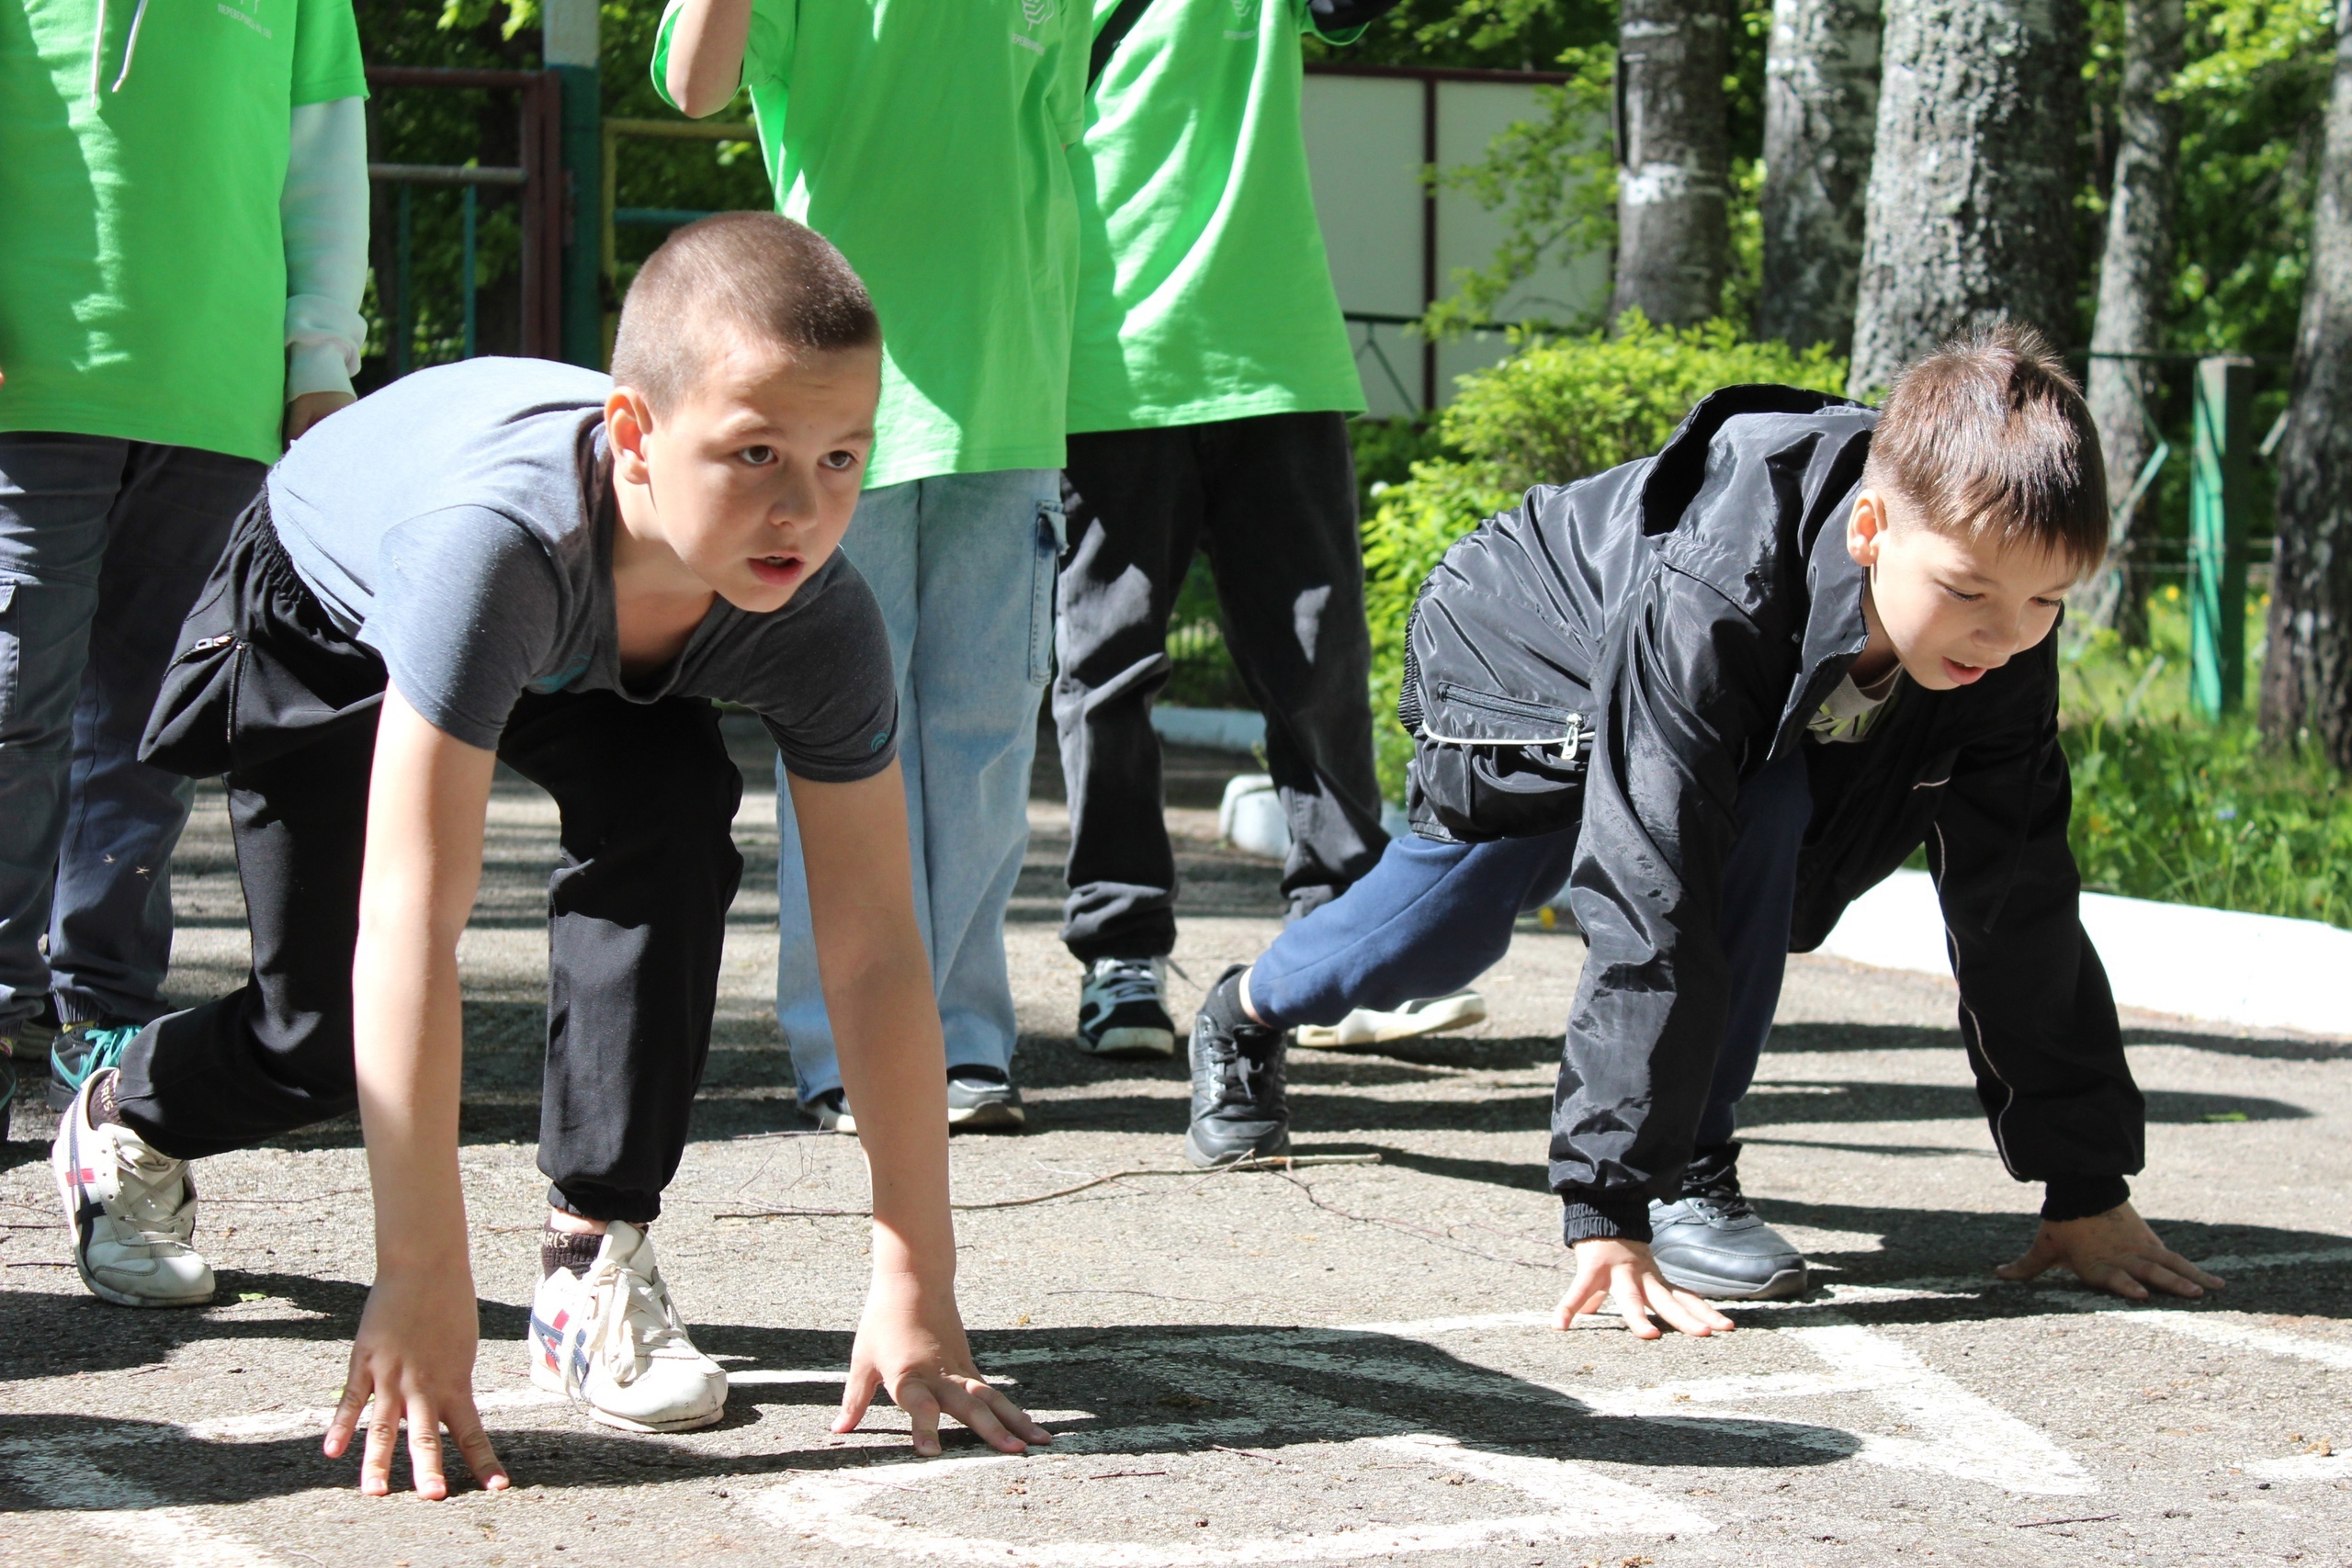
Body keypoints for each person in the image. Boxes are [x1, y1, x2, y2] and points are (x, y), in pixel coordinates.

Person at [51, 216, 1050, 1495]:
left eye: (842, 455)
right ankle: (124, 1108)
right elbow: (413, 920)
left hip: (584, 615)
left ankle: (591, 1261)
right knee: (317, 1040)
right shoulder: (493, 552)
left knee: (676, 811)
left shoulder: (810, 606)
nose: (804, 508)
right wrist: (418, 1276)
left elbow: (870, 949)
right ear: (636, 437)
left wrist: (917, 1274)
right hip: (339, 600)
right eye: (755, 453)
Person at [1179, 323, 2227, 1333]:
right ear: (1872, 531)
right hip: (1519, 641)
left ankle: (1694, 1167)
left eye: (2047, 604)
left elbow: (2018, 902)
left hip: (1701, 681)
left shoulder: (1995, 620)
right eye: (1967, 594)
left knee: (1764, 800)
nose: (2004, 637)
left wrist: (2082, 1186)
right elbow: (1652, 883)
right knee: (1443, 932)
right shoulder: (1722, 587)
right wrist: (1607, 1207)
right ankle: (1246, 1011)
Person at [655, 0, 1088, 1134]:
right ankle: (851, 1047)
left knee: (986, 747)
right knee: (852, 745)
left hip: (1015, 398)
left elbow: (1061, 148)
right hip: (839, 417)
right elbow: (695, 85)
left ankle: (964, 1044)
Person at [1052, 0, 1489, 1059]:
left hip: (1272, 357)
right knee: (1104, 671)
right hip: (1097, 361)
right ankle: (1121, 955)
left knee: (1317, 664)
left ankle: (1348, 943)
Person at [0, 0, 369, 1112]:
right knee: (13, 701)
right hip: (31, 382)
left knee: (149, 734)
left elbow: (324, 165)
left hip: (219, 393)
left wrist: (319, 357)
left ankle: (101, 1016)